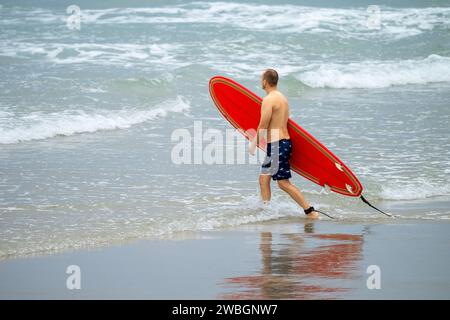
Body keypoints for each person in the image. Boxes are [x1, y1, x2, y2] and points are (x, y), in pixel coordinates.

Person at [249, 69, 320, 219]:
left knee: (283, 183)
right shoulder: (282, 98)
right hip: (279, 144)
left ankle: (310, 212)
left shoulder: (268, 100)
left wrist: (253, 143)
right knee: (264, 179)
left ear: (265, 81)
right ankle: (266, 211)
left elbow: (263, 125)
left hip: (277, 145)